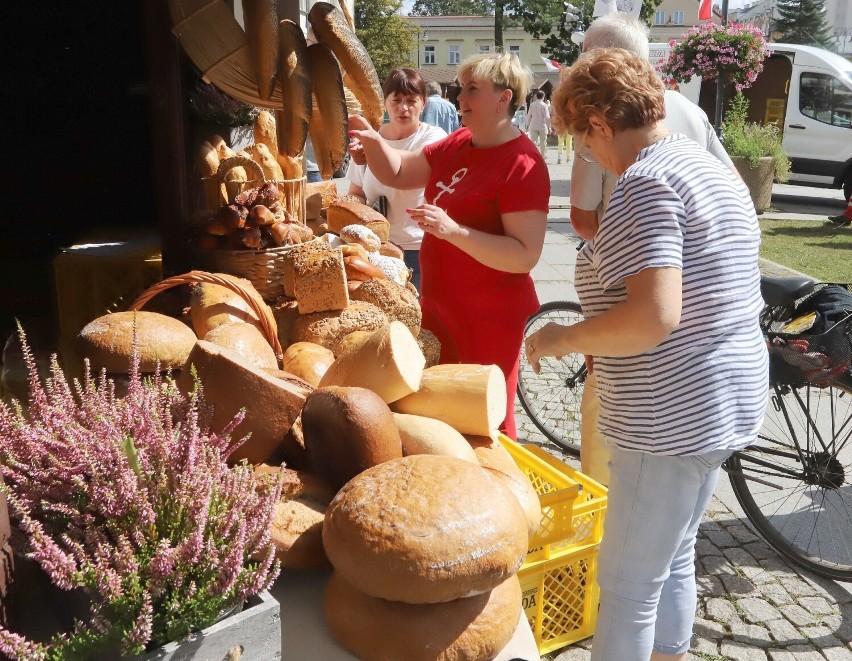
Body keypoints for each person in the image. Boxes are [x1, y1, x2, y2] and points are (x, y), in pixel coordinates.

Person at [527, 48, 768, 661]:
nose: (589, 156)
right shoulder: (712, 168)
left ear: (600, 124)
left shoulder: (647, 180)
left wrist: (561, 338)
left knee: (629, 584)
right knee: (674, 551)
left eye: (584, 143)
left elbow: (653, 317)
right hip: (725, 397)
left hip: (669, 412)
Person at [566, 12, 739, 486]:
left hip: (644, 361)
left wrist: (566, 336)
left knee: (616, 484)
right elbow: (732, 190)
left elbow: (583, 219)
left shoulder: (617, 136)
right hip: (706, 362)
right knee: (672, 530)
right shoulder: (687, 112)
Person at [348, 53, 550, 439]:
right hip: (441, 310)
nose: (460, 98)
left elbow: (524, 255)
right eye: (461, 88)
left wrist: (453, 231)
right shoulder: (459, 141)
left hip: (488, 318)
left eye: (472, 89)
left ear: (504, 98)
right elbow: (399, 170)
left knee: (484, 423)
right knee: (442, 417)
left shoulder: (522, 163)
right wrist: (372, 141)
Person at [347, 68, 447, 290]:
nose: (403, 108)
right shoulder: (370, 139)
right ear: (385, 103)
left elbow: (410, 163)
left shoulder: (434, 137)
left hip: (419, 249)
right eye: (397, 100)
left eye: (411, 100)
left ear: (423, 103)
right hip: (376, 249)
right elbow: (356, 193)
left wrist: (374, 148)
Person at [525, 90, 551, 159]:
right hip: (542, 126)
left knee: (533, 142)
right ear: (543, 97)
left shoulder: (532, 105)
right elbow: (547, 117)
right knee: (543, 143)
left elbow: (529, 115)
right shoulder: (544, 105)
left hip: (533, 125)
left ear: (536, 97)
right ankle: (543, 157)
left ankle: (533, 156)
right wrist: (549, 127)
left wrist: (527, 125)